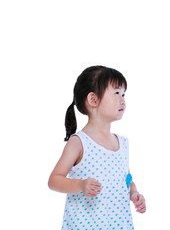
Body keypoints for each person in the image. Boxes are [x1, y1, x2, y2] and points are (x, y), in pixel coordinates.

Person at [48, 66, 146, 229]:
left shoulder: (122, 143)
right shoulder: (80, 142)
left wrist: (134, 193)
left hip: (118, 224)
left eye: (123, 94)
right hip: (86, 225)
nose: (123, 100)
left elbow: (126, 178)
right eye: (116, 93)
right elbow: (54, 180)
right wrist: (80, 185)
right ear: (93, 99)